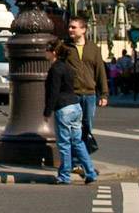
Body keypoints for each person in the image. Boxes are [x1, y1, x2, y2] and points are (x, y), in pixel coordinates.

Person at [46, 37, 97, 185]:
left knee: (64, 144)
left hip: (64, 108)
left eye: (47, 50)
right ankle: (90, 172)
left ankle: (64, 175)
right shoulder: (67, 67)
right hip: (75, 106)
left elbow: (54, 91)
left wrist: (47, 110)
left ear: (53, 52)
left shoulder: (55, 69)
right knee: (78, 142)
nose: (45, 53)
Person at [62, 15, 108, 155]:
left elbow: (100, 71)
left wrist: (104, 94)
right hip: (72, 94)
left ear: (83, 30)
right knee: (72, 128)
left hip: (89, 94)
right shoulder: (64, 47)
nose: (70, 29)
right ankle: (75, 160)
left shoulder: (93, 48)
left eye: (74, 27)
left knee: (87, 127)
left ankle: (84, 158)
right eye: (70, 27)